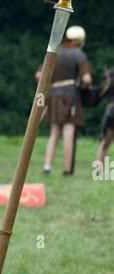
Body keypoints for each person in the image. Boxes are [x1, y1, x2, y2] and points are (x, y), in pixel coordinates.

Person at [38, 25, 93, 175]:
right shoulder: (78, 54)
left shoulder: (55, 52)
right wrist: (85, 85)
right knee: (68, 132)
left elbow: (39, 75)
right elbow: (87, 78)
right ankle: (67, 170)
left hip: (53, 94)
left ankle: (47, 167)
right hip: (70, 95)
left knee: (54, 132)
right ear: (80, 40)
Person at [95, 67, 114, 164]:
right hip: (112, 111)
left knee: (105, 142)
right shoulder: (111, 74)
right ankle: (98, 170)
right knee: (105, 141)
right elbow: (101, 90)